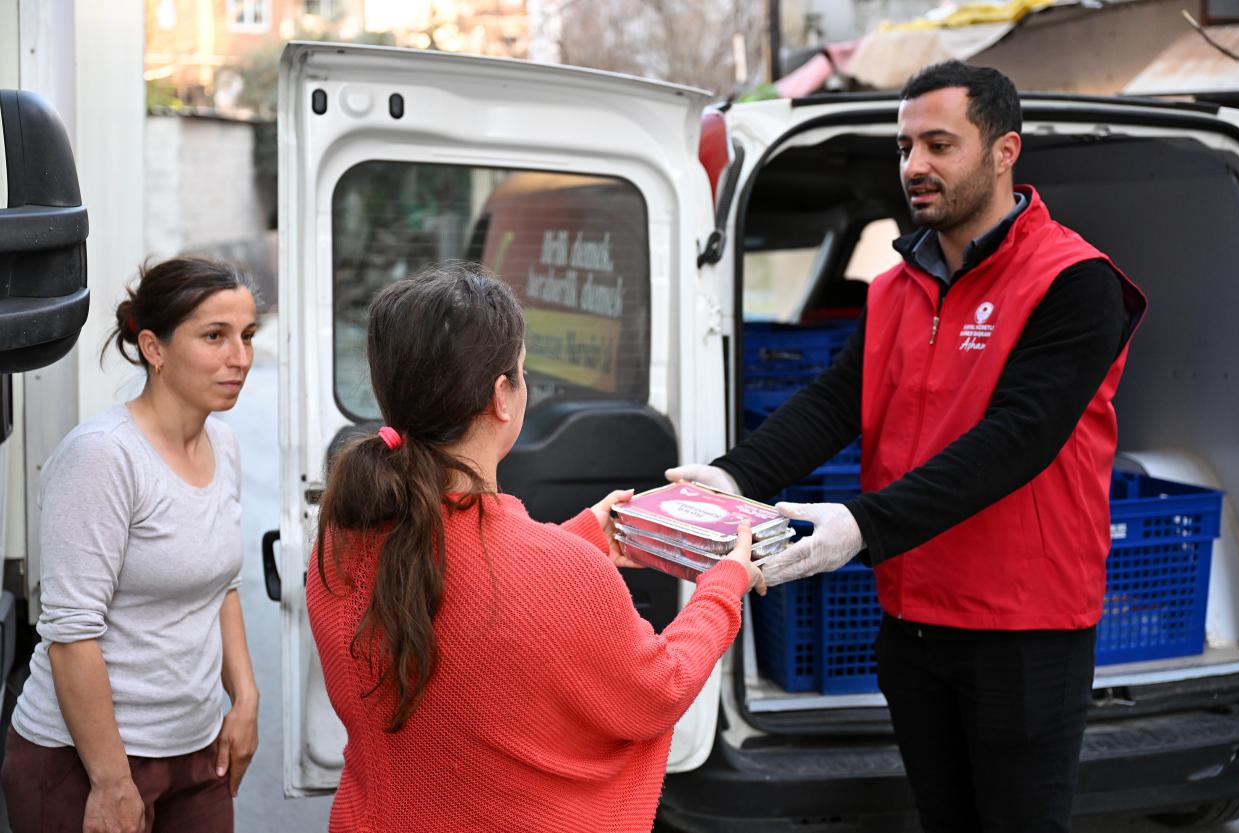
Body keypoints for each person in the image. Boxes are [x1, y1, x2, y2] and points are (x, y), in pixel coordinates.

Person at [669, 61, 1147, 833]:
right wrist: (733, 476)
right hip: (915, 618)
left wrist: (860, 525)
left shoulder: (1074, 280)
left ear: (1004, 151)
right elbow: (836, 401)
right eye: (903, 147)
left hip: (1024, 629)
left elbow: (1018, 439)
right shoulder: (898, 284)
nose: (914, 166)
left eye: (938, 144)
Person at [305, 261, 765, 833]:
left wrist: (583, 539)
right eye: (521, 373)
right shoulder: (558, 574)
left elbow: (465, 590)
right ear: (502, 396)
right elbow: (658, 689)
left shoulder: (340, 542)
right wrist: (723, 585)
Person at [1, 257, 261, 833]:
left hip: (196, 753)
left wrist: (244, 699)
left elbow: (223, 586)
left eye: (247, 336)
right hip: (83, 763)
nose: (239, 358)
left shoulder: (224, 445)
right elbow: (71, 632)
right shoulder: (103, 456)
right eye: (214, 336)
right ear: (154, 347)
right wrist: (112, 782)